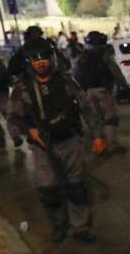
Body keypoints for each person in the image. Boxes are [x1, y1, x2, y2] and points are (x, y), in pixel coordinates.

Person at [6, 37, 104, 243]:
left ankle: (81, 228)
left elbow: (86, 107)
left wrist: (97, 135)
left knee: (77, 188)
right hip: (42, 148)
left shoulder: (66, 81)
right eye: (35, 59)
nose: (40, 62)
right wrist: (28, 130)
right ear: (29, 62)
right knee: (49, 191)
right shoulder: (22, 88)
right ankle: (58, 225)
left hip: (70, 141)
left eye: (44, 57)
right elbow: (13, 118)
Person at [71, 31, 130, 155]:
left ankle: (99, 145)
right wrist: (124, 88)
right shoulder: (105, 57)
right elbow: (117, 74)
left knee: (96, 120)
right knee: (110, 119)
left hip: (87, 93)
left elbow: (74, 77)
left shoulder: (81, 58)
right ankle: (111, 145)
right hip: (103, 91)